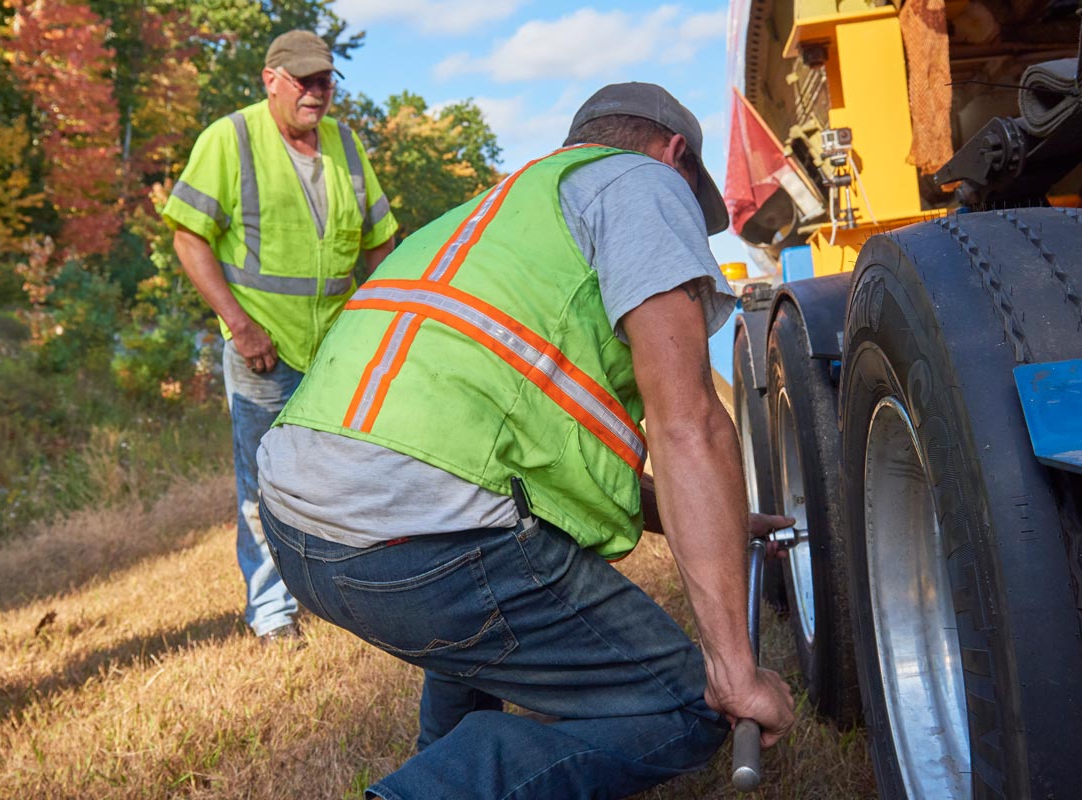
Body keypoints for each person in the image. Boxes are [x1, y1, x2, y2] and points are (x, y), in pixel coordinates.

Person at [255, 82, 799, 798]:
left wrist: (717, 519)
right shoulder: (643, 182)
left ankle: (443, 755)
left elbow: (497, 443)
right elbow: (688, 425)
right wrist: (734, 667)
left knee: (476, 580)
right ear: (675, 156)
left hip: (299, 526)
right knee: (683, 704)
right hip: (417, 546)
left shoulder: (496, 211)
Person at [161, 30, 400, 644]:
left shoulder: (347, 146)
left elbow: (380, 244)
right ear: (271, 79)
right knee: (263, 484)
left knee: (347, 475)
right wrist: (240, 327)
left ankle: (348, 593)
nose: (317, 92)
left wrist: (381, 324)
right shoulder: (230, 137)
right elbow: (189, 237)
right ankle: (273, 613)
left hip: (339, 350)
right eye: (304, 80)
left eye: (325, 81)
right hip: (262, 351)